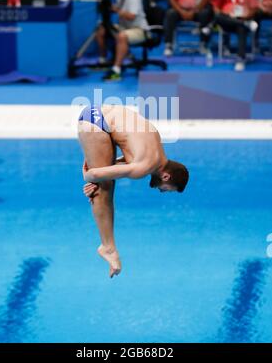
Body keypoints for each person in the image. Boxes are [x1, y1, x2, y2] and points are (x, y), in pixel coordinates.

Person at [78, 104, 189, 278]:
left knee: (103, 181)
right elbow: (93, 174)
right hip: (96, 124)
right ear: (166, 177)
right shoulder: (143, 168)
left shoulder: (157, 152)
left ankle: (108, 246)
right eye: (167, 190)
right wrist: (89, 177)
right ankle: (108, 247)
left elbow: (116, 164)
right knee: (104, 188)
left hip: (99, 113)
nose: (162, 191)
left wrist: (97, 174)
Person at [98, 0, 149, 82]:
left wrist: (116, 10)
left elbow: (131, 17)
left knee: (122, 36)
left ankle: (116, 71)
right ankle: (103, 61)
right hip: (124, 27)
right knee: (101, 30)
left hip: (139, 29)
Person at [214, 0, 259, 72]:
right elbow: (216, 7)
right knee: (218, 17)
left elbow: (254, 9)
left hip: (243, 19)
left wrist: (246, 17)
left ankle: (240, 59)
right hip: (227, 21)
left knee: (241, 28)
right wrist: (224, 15)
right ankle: (243, 24)